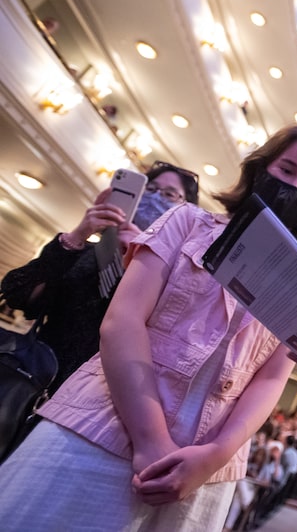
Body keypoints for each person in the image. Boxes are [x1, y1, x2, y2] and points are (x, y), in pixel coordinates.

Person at [0, 125, 297, 531]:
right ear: (260, 169)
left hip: (206, 473)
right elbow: (123, 321)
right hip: (104, 426)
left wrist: (215, 455)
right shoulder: (187, 222)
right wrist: (150, 441)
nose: (294, 187)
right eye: (286, 170)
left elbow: (270, 381)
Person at [0, 160, 199, 395]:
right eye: (150, 189)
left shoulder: (171, 280)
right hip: (33, 382)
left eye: (169, 195)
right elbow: (17, 293)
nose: (155, 198)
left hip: (94, 401)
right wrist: (78, 234)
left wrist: (141, 259)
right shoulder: (83, 253)